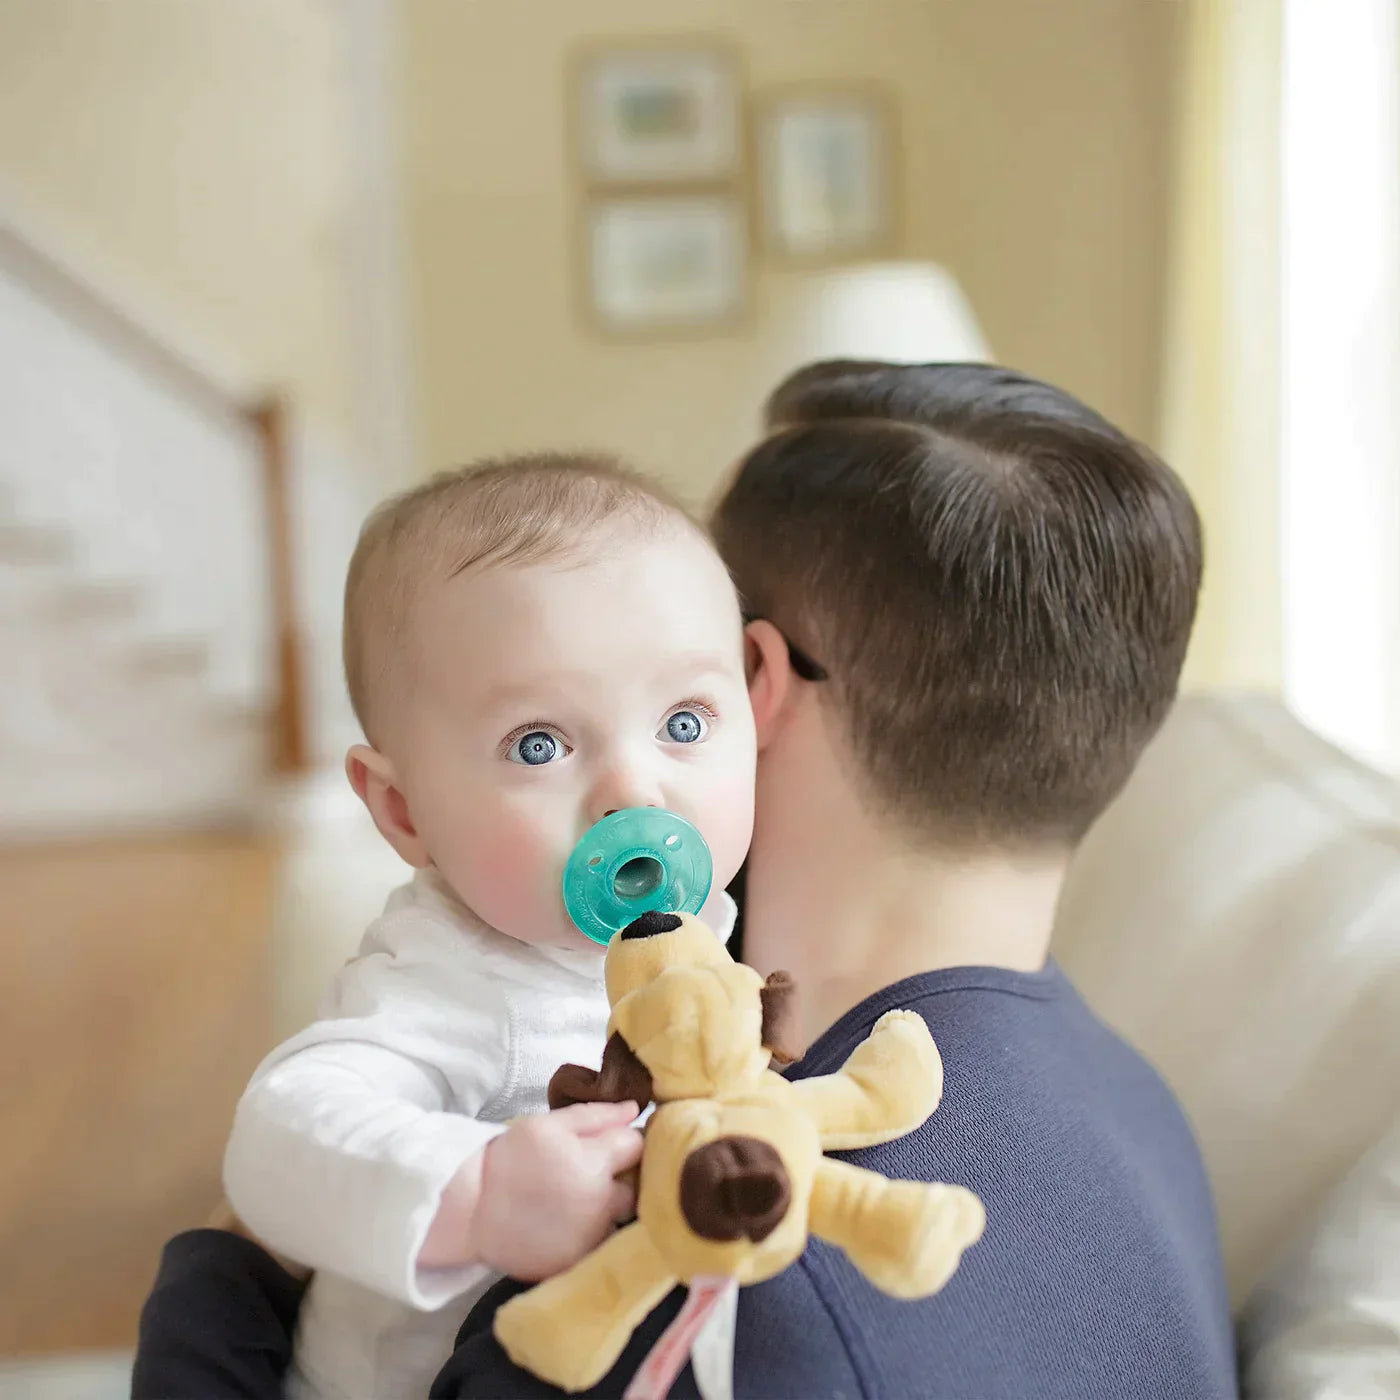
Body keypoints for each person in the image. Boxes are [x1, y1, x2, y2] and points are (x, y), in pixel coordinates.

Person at [134, 362, 1238, 1400]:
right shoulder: (1144, 1120)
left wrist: (222, 1278)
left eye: (674, 707)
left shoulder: (685, 1244)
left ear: (752, 680)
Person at [217, 452, 758, 1400]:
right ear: (405, 812)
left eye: (683, 722)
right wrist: (477, 1194)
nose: (635, 791)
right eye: (538, 745)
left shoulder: (710, 925)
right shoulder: (453, 975)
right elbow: (279, 1138)